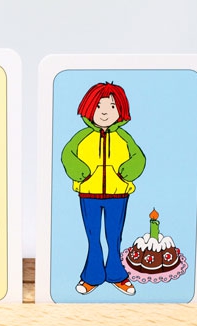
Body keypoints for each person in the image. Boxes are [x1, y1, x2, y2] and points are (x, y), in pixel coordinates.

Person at [60, 82, 146, 296]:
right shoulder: (82, 136)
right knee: (93, 236)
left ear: (121, 110)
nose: (105, 112)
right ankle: (92, 276)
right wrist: (80, 172)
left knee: (114, 236)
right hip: (88, 193)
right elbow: (68, 154)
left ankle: (117, 275)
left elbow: (138, 157)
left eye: (112, 106)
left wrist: (127, 172)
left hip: (118, 194)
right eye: (99, 106)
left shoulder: (124, 137)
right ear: (89, 107)